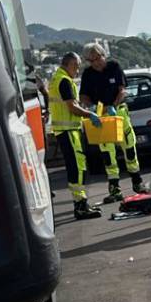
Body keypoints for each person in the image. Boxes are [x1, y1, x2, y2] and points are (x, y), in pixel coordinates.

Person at [80, 42, 144, 203]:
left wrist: (114, 105)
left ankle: (137, 183)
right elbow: (84, 96)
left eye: (98, 58)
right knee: (108, 153)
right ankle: (114, 188)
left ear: (104, 55)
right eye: (92, 60)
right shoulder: (88, 74)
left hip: (119, 112)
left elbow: (122, 90)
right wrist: (91, 106)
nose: (96, 62)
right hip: (101, 116)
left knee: (129, 147)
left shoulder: (114, 66)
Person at [48, 53, 102, 220]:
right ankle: (80, 206)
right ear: (70, 64)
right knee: (77, 168)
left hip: (64, 131)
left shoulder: (56, 78)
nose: (78, 70)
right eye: (77, 66)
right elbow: (71, 107)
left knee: (75, 167)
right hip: (69, 131)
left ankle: (81, 203)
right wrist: (89, 115)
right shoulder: (64, 81)